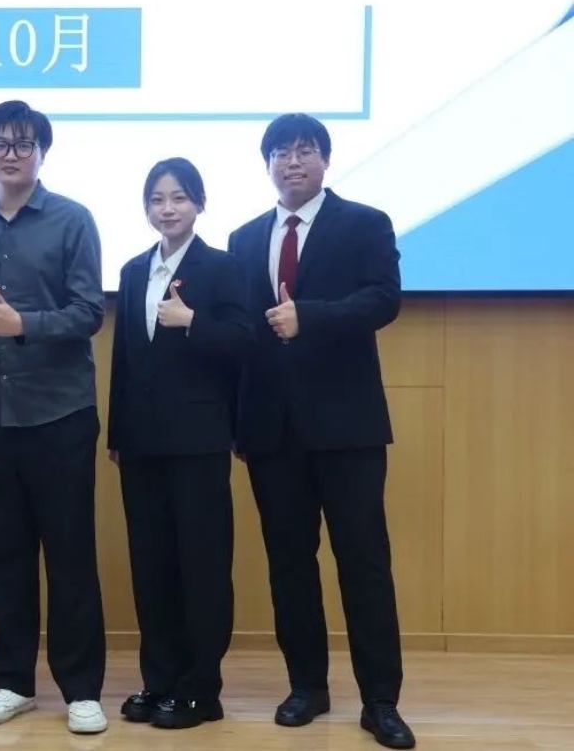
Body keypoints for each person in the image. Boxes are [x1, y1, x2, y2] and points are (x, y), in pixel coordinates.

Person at [227, 113, 415, 749]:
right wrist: (239, 423)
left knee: (364, 562)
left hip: (347, 426)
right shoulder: (244, 238)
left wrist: (310, 316)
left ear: (325, 160)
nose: (292, 162)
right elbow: (242, 336)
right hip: (271, 430)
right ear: (268, 165)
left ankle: (380, 700)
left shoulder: (364, 223)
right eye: (280, 153)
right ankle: (307, 686)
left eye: (304, 150)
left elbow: (384, 299)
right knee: (289, 565)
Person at [0, 100, 108, 735]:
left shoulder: (73, 219)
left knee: (70, 554)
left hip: (60, 412)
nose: (10, 154)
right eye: (0, 144)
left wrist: (24, 325)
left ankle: (81, 689)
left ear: (42, 152)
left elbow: (89, 312)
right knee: (1, 556)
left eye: (23, 144)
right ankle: (12, 681)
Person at [107, 157, 252, 730]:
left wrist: (192, 320)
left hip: (198, 442)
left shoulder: (222, 267)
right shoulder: (132, 270)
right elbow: (122, 358)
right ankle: (160, 680)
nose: (167, 209)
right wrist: (118, 433)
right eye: (157, 199)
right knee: (152, 567)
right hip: (141, 444)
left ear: (199, 204)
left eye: (179, 198)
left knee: (202, 565)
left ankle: (201, 688)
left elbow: (243, 343)